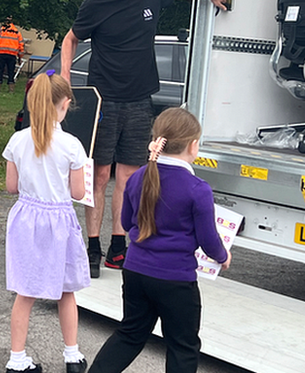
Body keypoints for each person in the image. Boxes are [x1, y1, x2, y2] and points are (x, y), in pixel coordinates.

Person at [60, 0, 227, 278]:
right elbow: (70, 39)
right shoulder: (95, 4)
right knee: (100, 176)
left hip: (139, 100)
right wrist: (66, 78)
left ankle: (118, 246)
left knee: (130, 175)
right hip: (103, 99)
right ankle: (93, 246)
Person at [88, 108, 231, 373]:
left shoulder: (138, 177)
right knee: (182, 346)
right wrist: (223, 256)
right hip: (176, 280)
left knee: (130, 334)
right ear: (193, 145)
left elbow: (128, 221)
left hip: (135, 271)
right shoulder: (197, 189)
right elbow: (208, 239)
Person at [2, 72, 91, 373]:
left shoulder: (17, 140)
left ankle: (17, 360)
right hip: (60, 222)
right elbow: (78, 192)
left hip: (27, 219)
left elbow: (11, 187)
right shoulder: (72, 145)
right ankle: (72, 356)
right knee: (66, 291)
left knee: (25, 292)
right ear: (65, 104)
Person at [0, 15, 25, 92]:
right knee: (11, 72)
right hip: (12, 55)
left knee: (0, 71)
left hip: (1, 54)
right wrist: (20, 57)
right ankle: (11, 89)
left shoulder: (0, 30)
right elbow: (21, 45)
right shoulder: (17, 32)